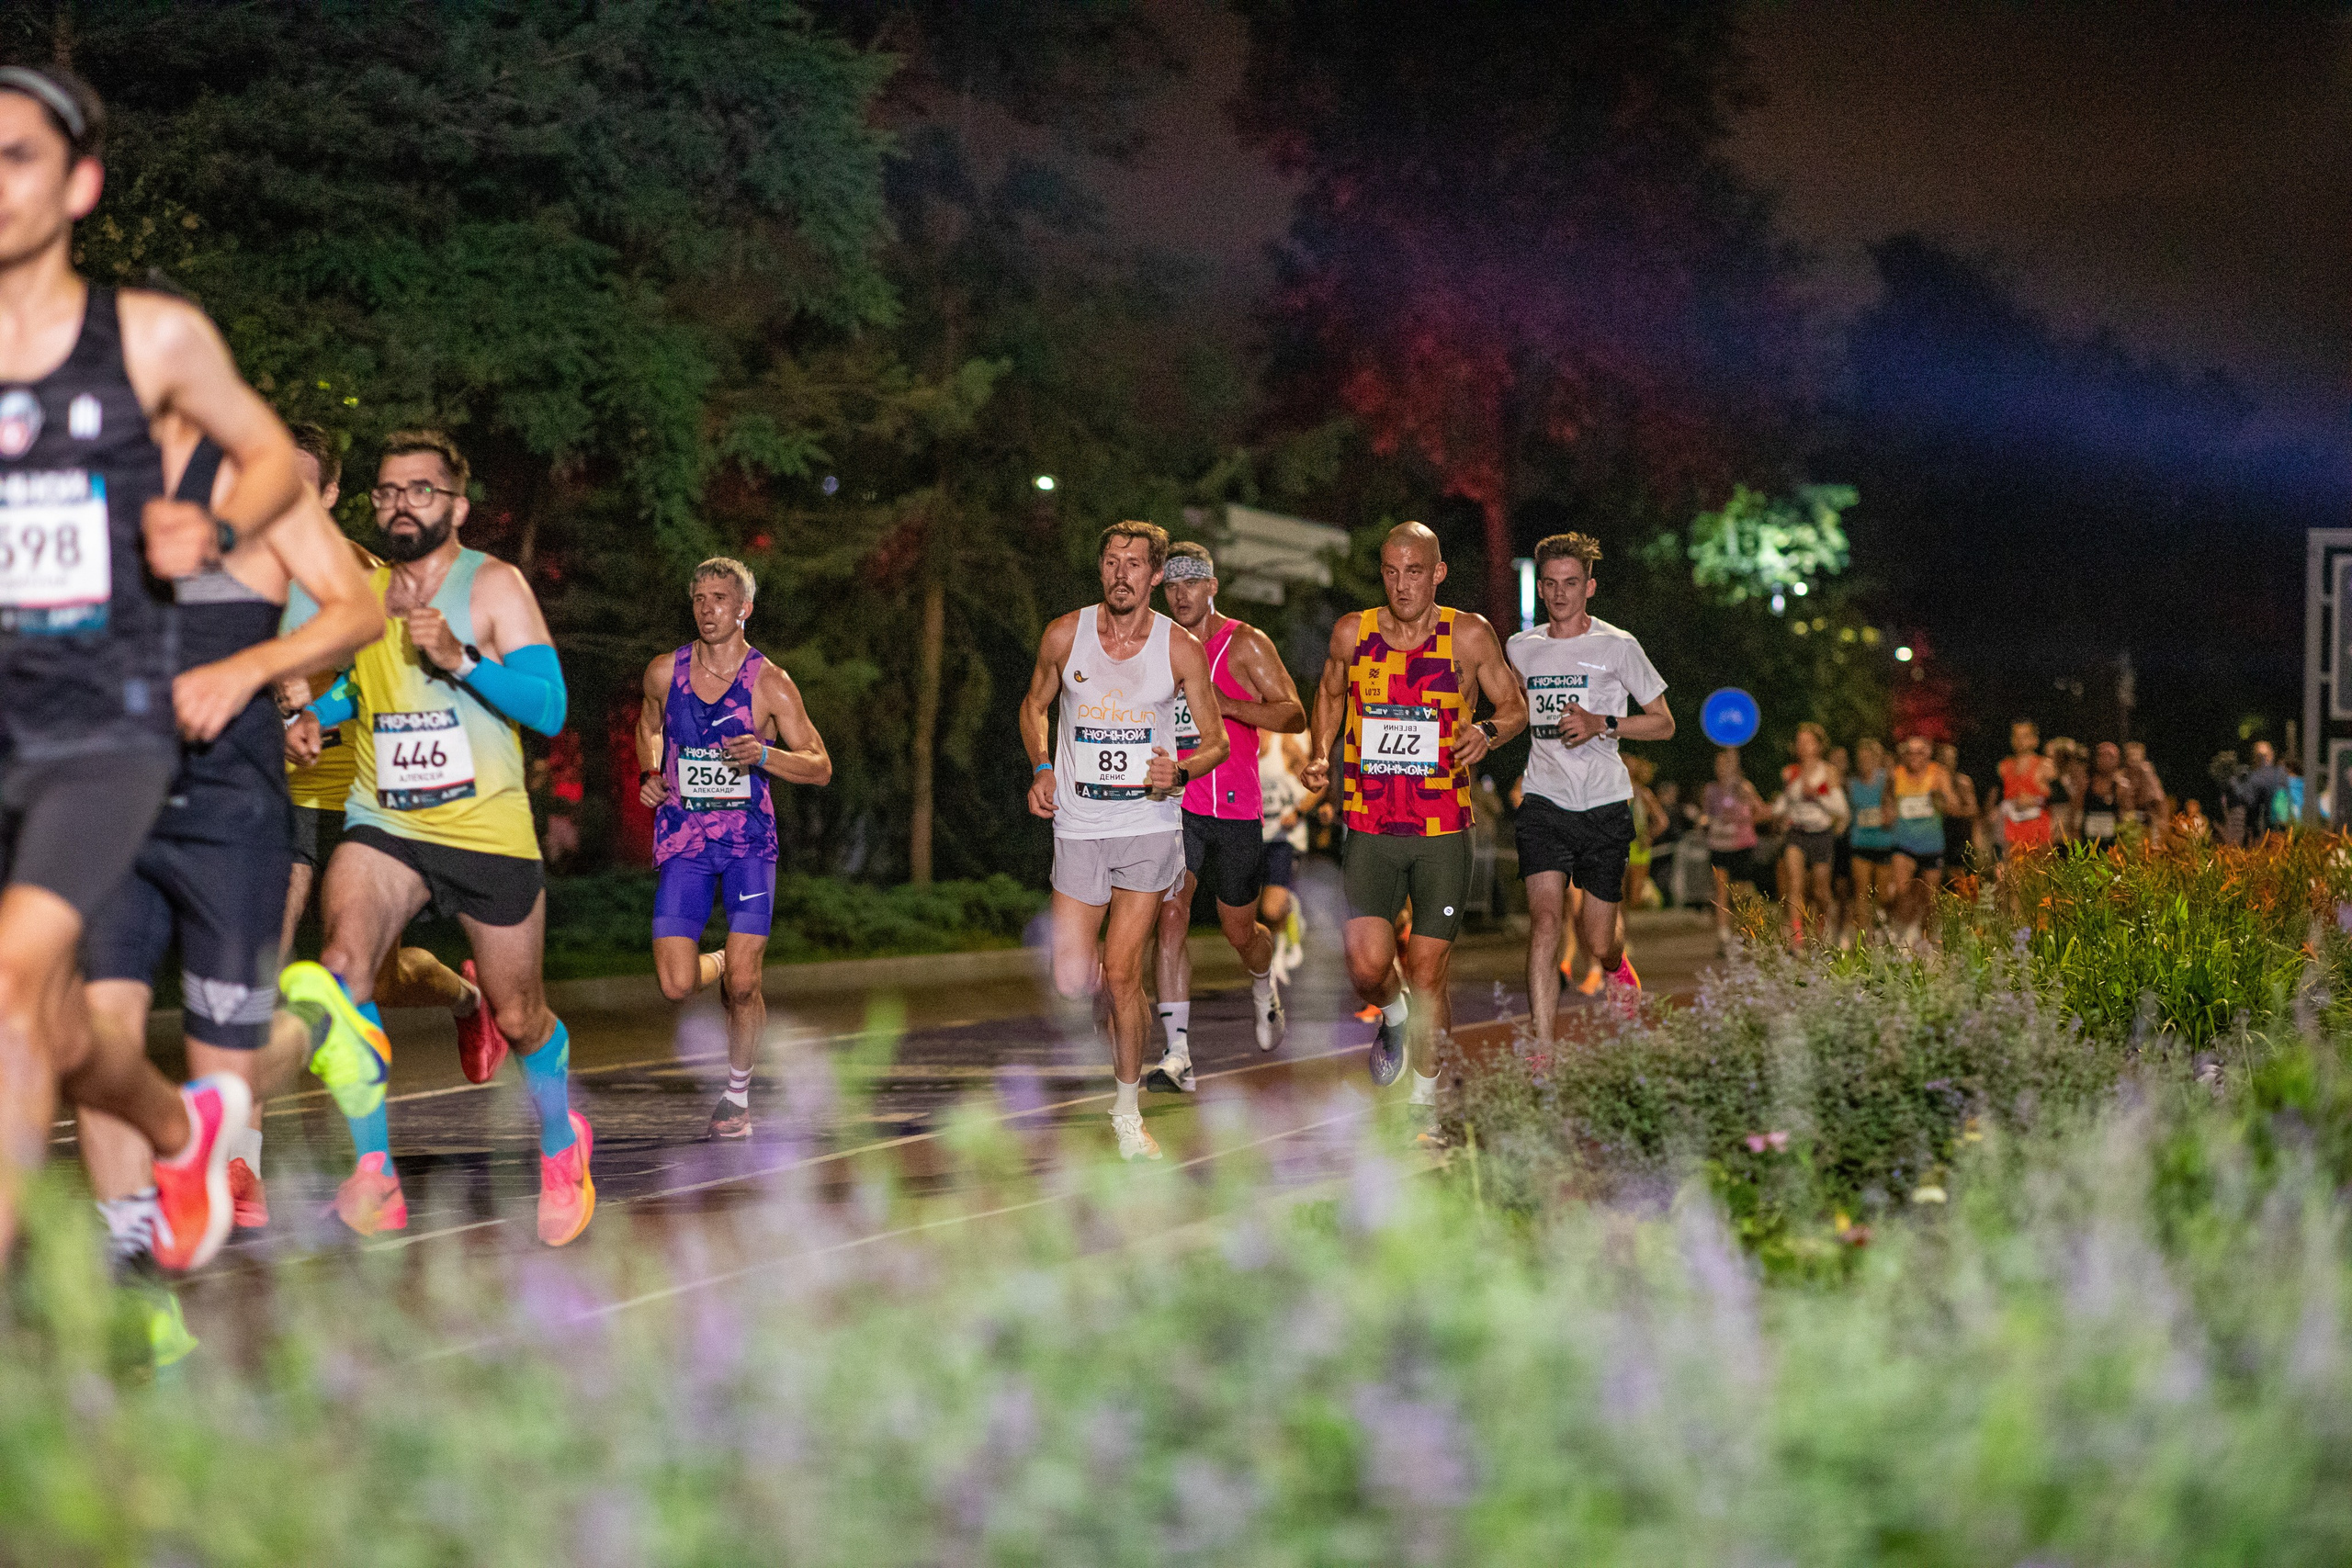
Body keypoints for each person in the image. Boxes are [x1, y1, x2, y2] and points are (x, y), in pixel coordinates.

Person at [0, 67, 314, 1269]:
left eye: (18, 155)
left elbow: (274, 452)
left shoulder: (150, 337)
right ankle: (180, 1126)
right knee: (62, 1022)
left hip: (115, 740)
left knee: (17, 986)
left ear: (78, 184)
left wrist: (224, 533)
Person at [72, 418, 384, 1264]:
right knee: (101, 1042)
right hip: (116, 801)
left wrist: (255, 671)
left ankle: (316, 1024)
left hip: (229, 811)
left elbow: (359, 610)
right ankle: (135, 1267)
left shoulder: (263, 487)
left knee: (230, 1083)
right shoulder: (81, 488)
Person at [290, 431, 589, 1242]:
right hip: (384, 820)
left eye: (420, 491)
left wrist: (462, 660)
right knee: (344, 972)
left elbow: (550, 707)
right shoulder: (365, 593)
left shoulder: (494, 586)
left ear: (456, 505)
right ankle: (375, 1173)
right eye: (387, 492)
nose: (400, 505)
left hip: (485, 828)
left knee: (521, 1014)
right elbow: (362, 687)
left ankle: (563, 1141)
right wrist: (310, 718)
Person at [1303, 521, 1526, 1119]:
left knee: (1428, 968)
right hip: (1372, 827)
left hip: (1442, 830)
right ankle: (1393, 1014)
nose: (1402, 585)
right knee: (1368, 965)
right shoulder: (1355, 631)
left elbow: (1514, 706)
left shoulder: (1469, 635)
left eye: (1415, 571)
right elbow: (1329, 693)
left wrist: (1485, 731)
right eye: (1391, 571)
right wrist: (1322, 752)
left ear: (1438, 573)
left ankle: (1427, 1104)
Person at [1020, 521, 1228, 1162]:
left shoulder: (1179, 648)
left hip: (1148, 826)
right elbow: (1033, 707)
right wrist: (1041, 768)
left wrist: (1183, 769)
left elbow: (1215, 740)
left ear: (1155, 575)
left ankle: (1127, 1113)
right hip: (1079, 826)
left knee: (1121, 971)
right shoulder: (1065, 633)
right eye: (1111, 561)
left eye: (1133, 564)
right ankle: (1119, 1036)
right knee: (1072, 977)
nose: (1120, 574)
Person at [636, 557, 831, 1139]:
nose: (707, 609)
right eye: (699, 598)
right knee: (674, 983)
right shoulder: (663, 672)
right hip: (683, 842)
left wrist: (765, 756)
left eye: (719, 598)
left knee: (745, 985)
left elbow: (820, 766)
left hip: (748, 845)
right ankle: (723, 959)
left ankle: (737, 1095)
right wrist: (649, 771)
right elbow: (649, 724)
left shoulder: (770, 682)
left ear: (744, 608)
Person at [1145, 543, 1305, 1090]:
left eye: (1191, 584)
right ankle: (1178, 1054)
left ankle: (1262, 982)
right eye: (1171, 586)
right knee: (1170, 916)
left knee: (1241, 931)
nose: (1180, 595)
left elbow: (1292, 712)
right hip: (1176, 805)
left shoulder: (1244, 643)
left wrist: (1225, 704)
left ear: (1212, 586)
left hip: (1236, 809)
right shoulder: (1156, 645)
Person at [1772, 723, 1847, 947]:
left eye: (1807, 741)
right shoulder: (1790, 772)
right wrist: (1773, 812)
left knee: (1821, 892)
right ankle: (1797, 938)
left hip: (1821, 835)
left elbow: (1841, 809)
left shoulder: (1828, 772)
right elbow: (1783, 804)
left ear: (1818, 746)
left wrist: (1817, 796)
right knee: (1795, 885)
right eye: (1799, 741)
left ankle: (1821, 933)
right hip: (1796, 834)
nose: (1802, 746)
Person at [1886, 734, 1961, 945]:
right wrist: (1888, 812)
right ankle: (1898, 936)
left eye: (1920, 752)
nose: (1915, 757)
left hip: (1931, 845)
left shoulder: (1938, 774)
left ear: (1928, 754)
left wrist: (1941, 798)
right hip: (1904, 843)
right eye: (1910, 752)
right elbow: (1887, 799)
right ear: (1904, 755)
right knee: (1902, 891)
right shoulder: (1896, 775)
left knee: (1931, 898)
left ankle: (1925, 938)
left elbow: (1953, 806)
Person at [1700, 746, 1767, 953]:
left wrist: (1745, 821)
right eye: (1718, 765)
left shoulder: (1744, 788)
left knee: (1742, 891)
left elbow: (1762, 812)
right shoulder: (1711, 790)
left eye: (1726, 764)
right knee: (1721, 889)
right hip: (1719, 844)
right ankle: (1723, 936)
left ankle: (1751, 931)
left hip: (1742, 844)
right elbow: (1705, 815)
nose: (1722, 769)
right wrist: (1705, 822)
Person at [1257, 729, 1311, 982]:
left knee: (1271, 909)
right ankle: (1289, 914)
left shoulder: (1285, 743)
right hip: (1253, 835)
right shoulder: (1237, 738)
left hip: (1284, 837)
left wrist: (1298, 812)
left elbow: (1317, 785)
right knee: (1253, 912)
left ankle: (1279, 952)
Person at [1844, 738, 1896, 944]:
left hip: (1883, 842)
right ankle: (1863, 940)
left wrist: (1889, 813)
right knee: (1861, 894)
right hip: (1860, 843)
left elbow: (1894, 805)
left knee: (1883, 896)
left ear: (1876, 760)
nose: (1864, 763)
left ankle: (1884, 929)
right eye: (1861, 759)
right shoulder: (1852, 784)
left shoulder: (1886, 780)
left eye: (1868, 758)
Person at [1996, 719, 2055, 859]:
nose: (2020, 740)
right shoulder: (2004, 767)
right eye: (2016, 736)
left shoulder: (2045, 766)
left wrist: (2036, 800)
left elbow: (2060, 800)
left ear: (2035, 740)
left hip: (2037, 834)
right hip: (2012, 833)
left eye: (2025, 736)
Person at [1935, 740, 1978, 881]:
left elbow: (1973, 810)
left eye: (1951, 759)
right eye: (1944, 759)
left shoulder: (1962, 782)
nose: (1947, 763)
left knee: (1962, 880)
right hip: (1937, 837)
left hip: (1959, 836)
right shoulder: (1932, 783)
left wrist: (1956, 811)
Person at [2235, 739, 2294, 842]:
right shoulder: (2282, 773)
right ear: (2272, 754)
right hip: (2283, 826)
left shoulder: (2256, 777)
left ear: (2254, 757)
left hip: (2264, 833)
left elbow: (2249, 802)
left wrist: (2236, 785)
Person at [2080, 741, 2132, 852]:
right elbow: (2077, 812)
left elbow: (2127, 816)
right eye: (2101, 755)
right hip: (2088, 843)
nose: (2105, 759)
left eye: (2110, 756)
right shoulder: (2086, 785)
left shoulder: (2121, 787)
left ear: (2117, 760)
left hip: (2112, 845)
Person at [2122, 739, 2166, 840]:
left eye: (2136, 755)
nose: (2134, 759)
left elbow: (2159, 799)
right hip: (2126, 822)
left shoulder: (2147, 773)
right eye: (2131, 755)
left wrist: (2162, 822)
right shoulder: (2122, 775)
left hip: (2147, 822)